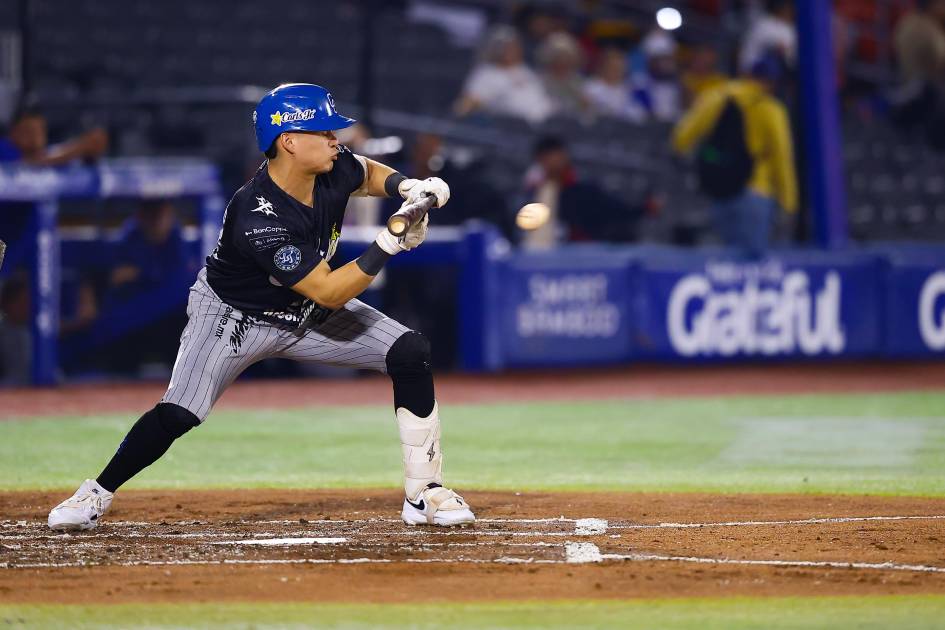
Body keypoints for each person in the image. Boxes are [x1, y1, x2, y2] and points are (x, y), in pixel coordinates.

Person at [47, 83, 475, 530]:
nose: (336, 140)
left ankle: (423, 493)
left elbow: (364, 171)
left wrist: (407, 186)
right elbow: (329, 291)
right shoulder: (256, 214)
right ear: (288, 141)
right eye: (324, 132)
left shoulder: (330, 166)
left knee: (409, 352)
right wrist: (390, 243)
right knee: (179, 413)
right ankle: (96, 492)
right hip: (234, 317)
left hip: (303, 312)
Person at [672, 53, 798, 256]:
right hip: (756, 189)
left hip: (720, 188)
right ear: (772, 82)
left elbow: (681, 138)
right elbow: (781, 157)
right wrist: (789, 202)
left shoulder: (717, 96)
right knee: (751, 262)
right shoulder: (770, 108)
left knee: (724, 261)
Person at [520, 135, 643, 248]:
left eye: (556, 156)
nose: (552, 162)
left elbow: (616, 209)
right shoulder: (533, 193)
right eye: (546, 158)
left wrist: (644, 208)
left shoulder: (584, 192)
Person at [454, 25, 554, 124]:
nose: (510, 50)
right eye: (505, 46)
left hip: (547, 122)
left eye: (513, 45)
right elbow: (468, 102)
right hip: (513, 127)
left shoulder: (525, 70)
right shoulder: (486, 74)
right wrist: (457, 118)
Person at [0, 107, 108, 165]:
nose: (36, 138)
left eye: (40, 131)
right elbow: (28, 167)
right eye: (29, 131)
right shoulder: (4, 147)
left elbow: (52, 155)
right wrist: (79, 148)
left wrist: (88, 151)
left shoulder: (44, 152)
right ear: (13, 132)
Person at [584, 47, 647, 122]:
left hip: (624, 126)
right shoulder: (592, 87)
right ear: (604, 67)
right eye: (613, 67)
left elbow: (639, 114)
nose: (617, 71)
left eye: (620, 68)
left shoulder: (629, 88)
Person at [738, 0, 796, 74]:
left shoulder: (791, 27)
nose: (789, 12)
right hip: (753, 66)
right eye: (786, 9)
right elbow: (780, 47)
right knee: (773, 61)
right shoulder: (765, 24)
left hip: (780, 67)